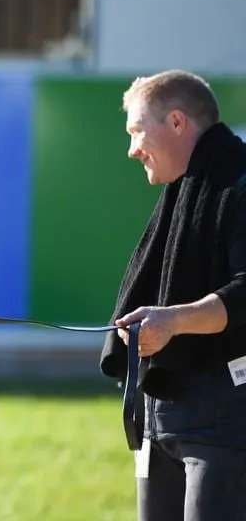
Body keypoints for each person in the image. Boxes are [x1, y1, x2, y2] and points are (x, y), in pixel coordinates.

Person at [100, 69, 246, 521]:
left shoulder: (238, 185)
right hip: (159, 419)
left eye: (137, 131)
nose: (131, 149)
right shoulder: (184, 191)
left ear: (178, 122)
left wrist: (174, 321)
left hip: (223, 423)